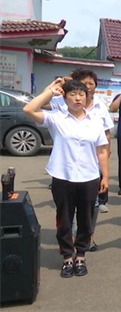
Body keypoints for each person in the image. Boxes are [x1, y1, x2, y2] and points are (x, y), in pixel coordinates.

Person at [24, 78, 109, 278]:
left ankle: (81, 255)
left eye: (81, 94)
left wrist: (105, 175)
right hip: (63, 176)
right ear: (65, 97)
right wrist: (49, 92)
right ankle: (67, 257)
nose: (78, 98)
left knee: (86, 220)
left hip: (89, 177)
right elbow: (29, 109)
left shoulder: (95, 121)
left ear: (87, 97)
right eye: (72, 94)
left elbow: (102, 151)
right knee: (64, 219)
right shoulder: (56, 118)